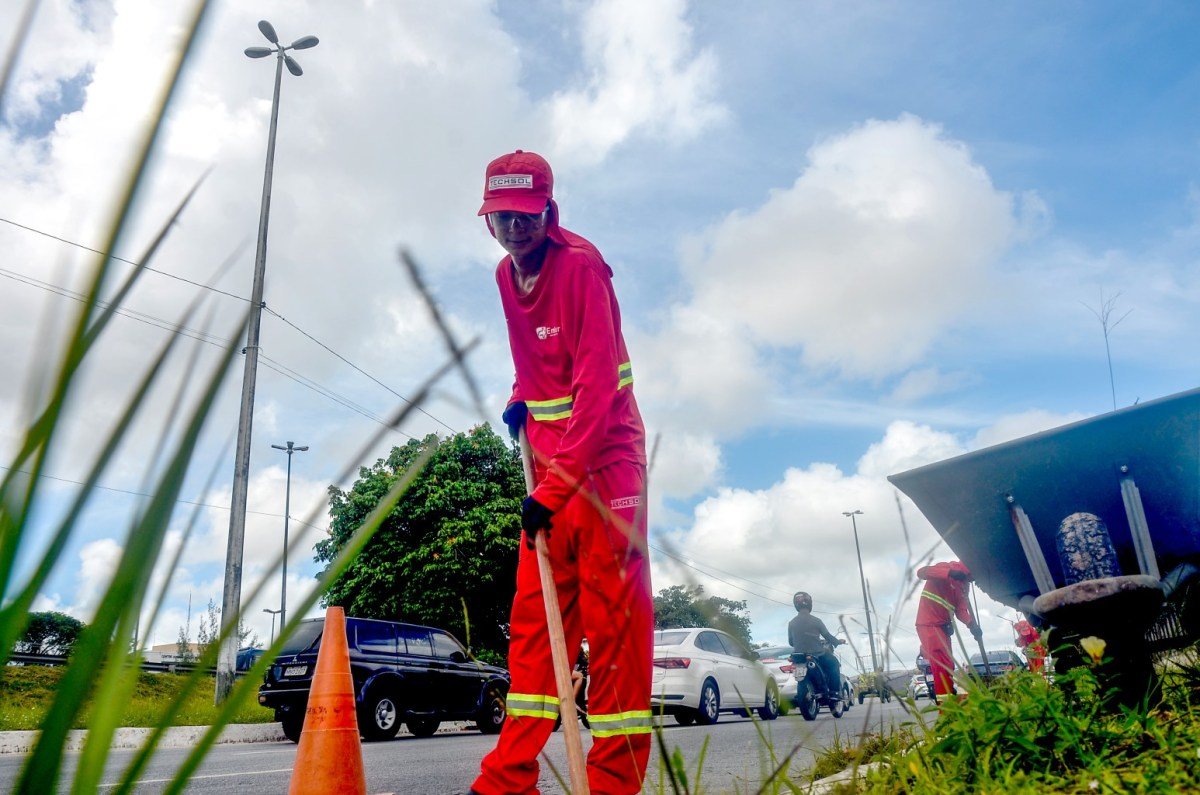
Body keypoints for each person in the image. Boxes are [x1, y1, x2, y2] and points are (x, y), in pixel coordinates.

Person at [470, 150, 652, 795]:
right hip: (550, 468)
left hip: (605, 467)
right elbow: (537, 358)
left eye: (526, 215)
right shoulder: (504, 274)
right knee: (534, 624)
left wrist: (556, 486)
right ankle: (510, 777)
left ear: (549, 212)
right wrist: (521, 395)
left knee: (614, 627)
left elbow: (597, 387)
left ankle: (612, 782)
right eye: (502, 217)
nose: (515, 228)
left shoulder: (581, 266)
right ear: (488, 219)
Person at [915, 560, 983, 700]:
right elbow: (921, 572)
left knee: (948, 665)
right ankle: (946, 705)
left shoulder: (964, 587)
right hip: (928, 624)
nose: (973, 580)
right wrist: (949, 573)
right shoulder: (946, 568)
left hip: (943, 628)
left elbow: (961, 611)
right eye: (972, 576)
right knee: (941, 665)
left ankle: (949, 695)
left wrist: (972, 625)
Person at [787, 592, 845, 697]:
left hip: (798, 656)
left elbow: (791, 642)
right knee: (834, 664)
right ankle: (834, 692)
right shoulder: (816, 621)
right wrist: (837, 641)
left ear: (796, 605)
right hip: (817, 654)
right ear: (810, 604)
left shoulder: (791, 623)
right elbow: (827, 636)